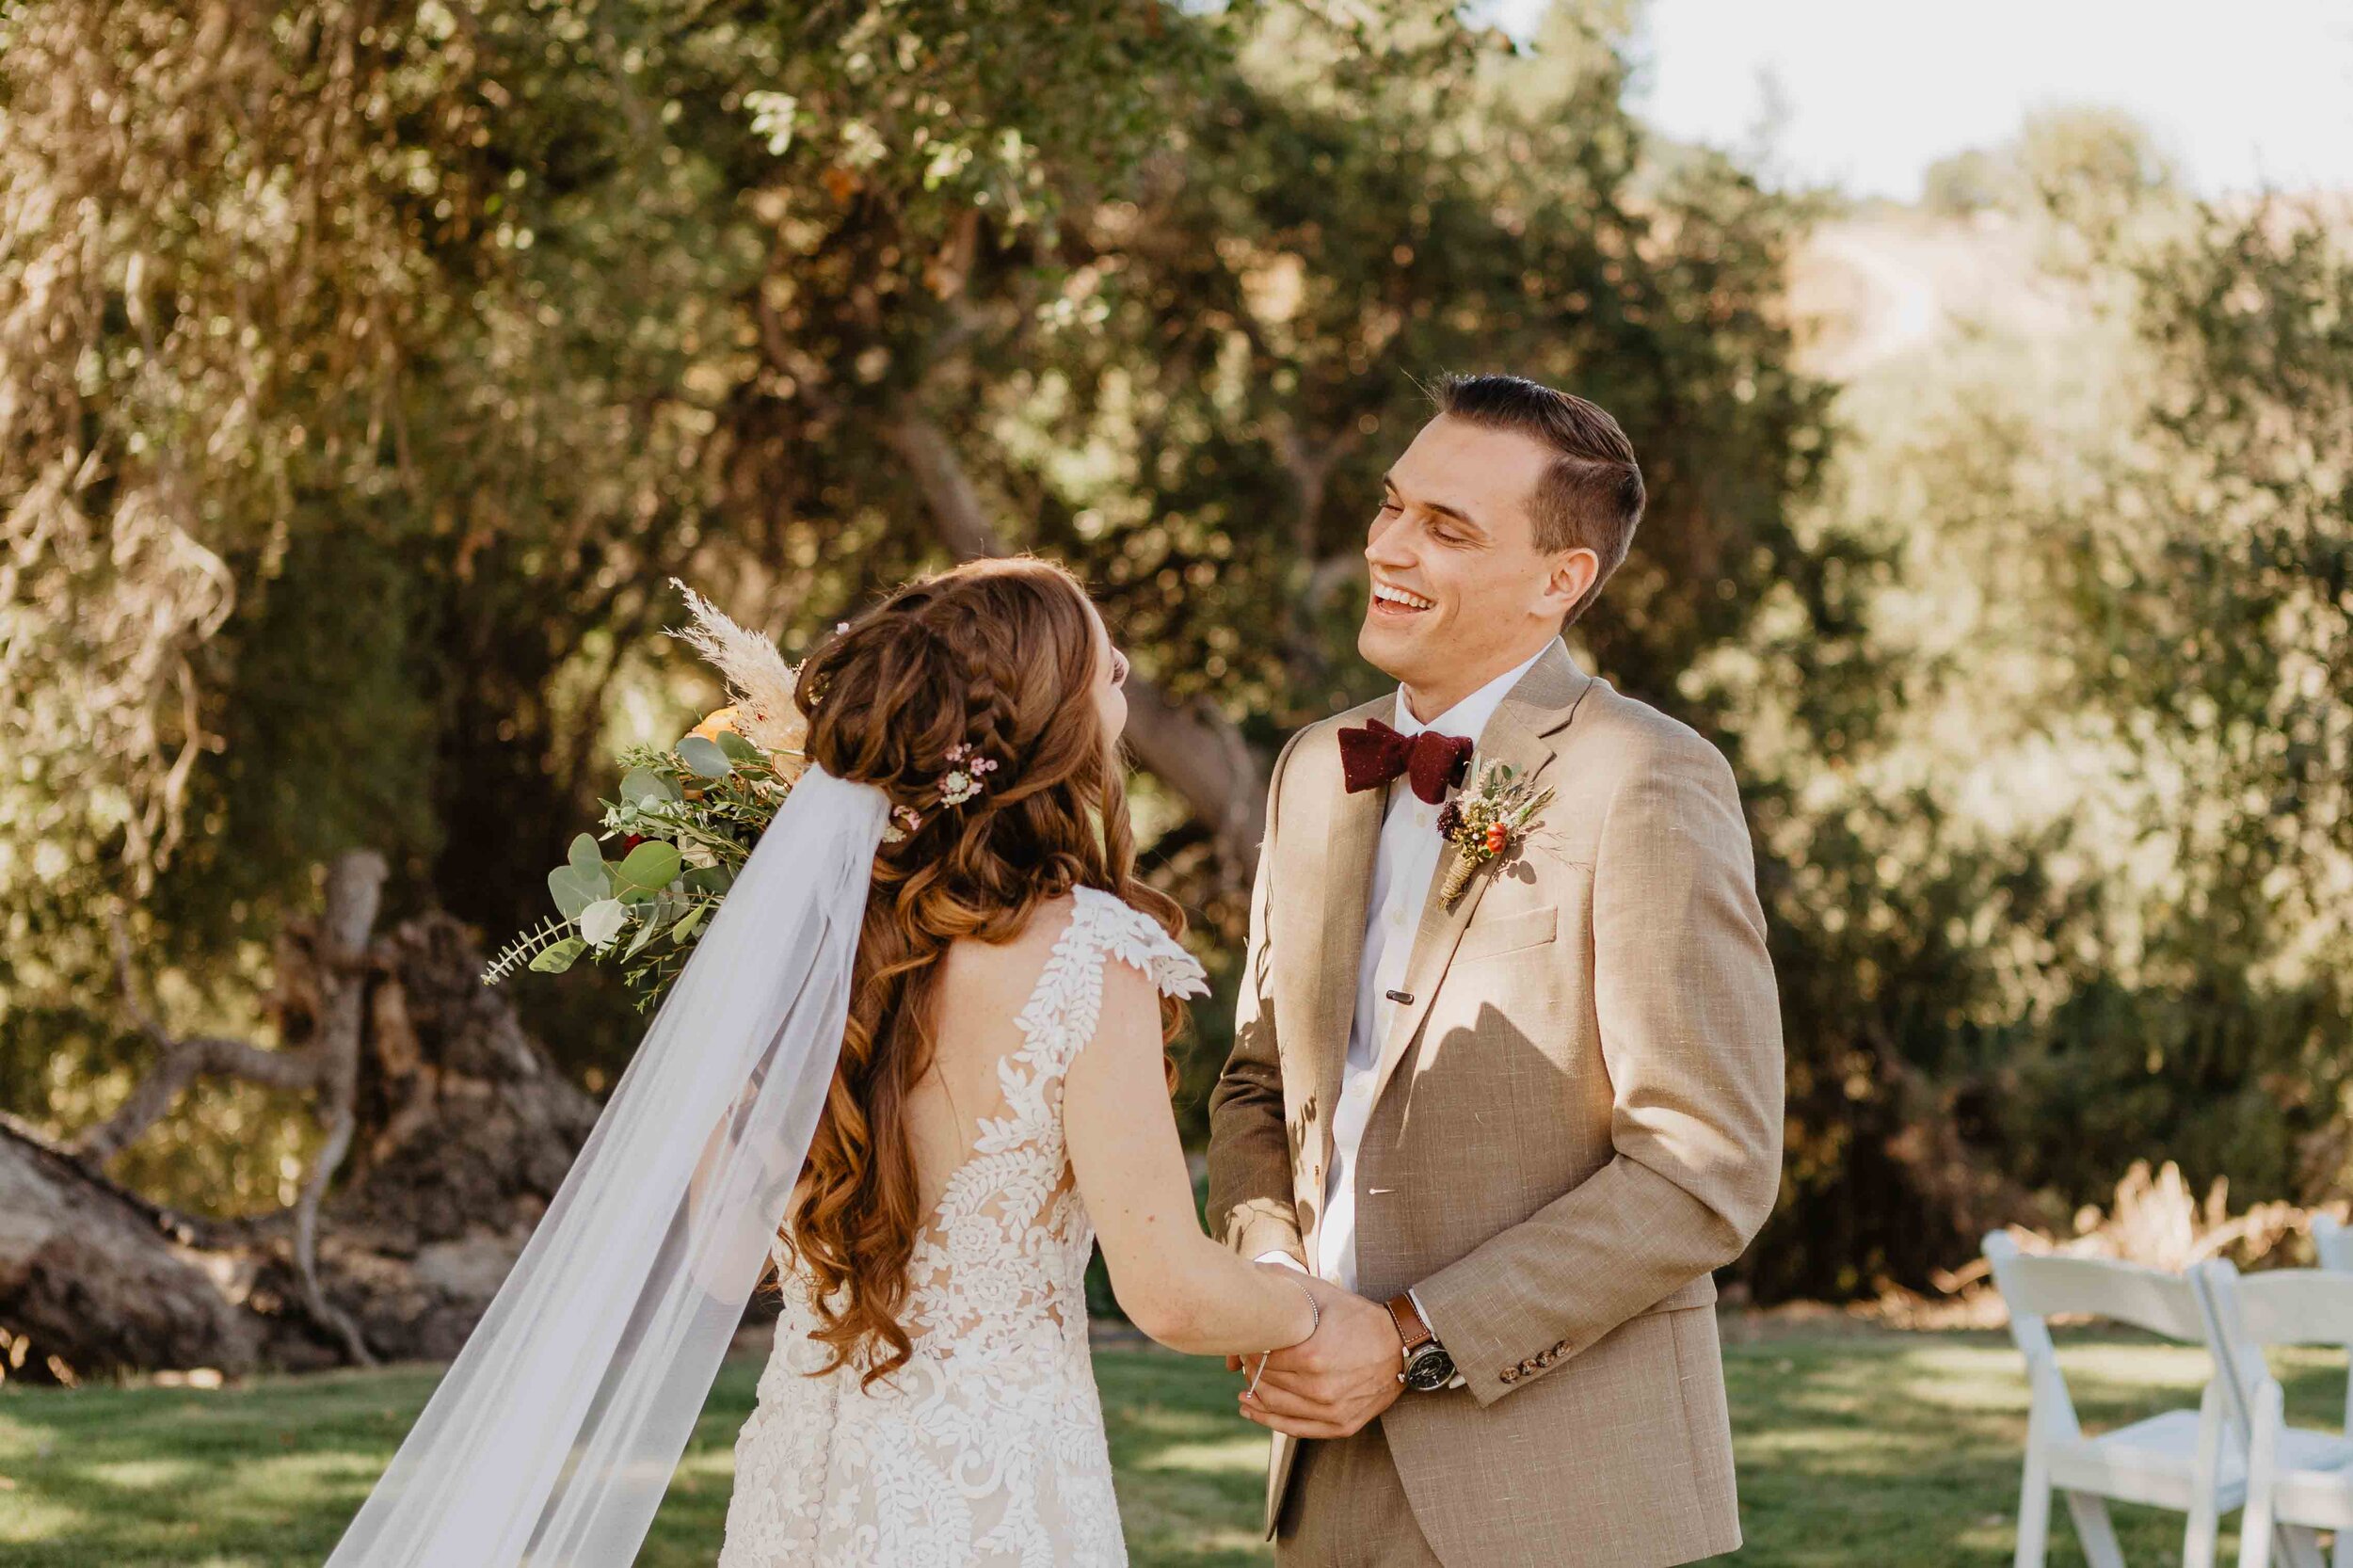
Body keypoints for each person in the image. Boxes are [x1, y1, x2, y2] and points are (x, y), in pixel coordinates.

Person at [325, 556, 1327, 1568]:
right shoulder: (1084, 951)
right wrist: (1312, 1307)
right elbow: (1166, 1291)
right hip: (990, 1491)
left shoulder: (812, 945)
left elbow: (724, 1260)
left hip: (799, 1482)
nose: (1121, 677)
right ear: (1039, 722)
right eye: (1102, 670)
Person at [1206, 374, 1786, 1567]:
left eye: (1446, 527)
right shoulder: (1316, 766)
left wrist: (1412, 1336)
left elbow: (1705, 1166)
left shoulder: (1648, 779)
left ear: (1559, 580)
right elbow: (1260, 1084)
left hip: (1564, 1493)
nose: (1388, 546)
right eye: (1392, 507)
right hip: (1327, 1471)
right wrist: (1273, 1278)